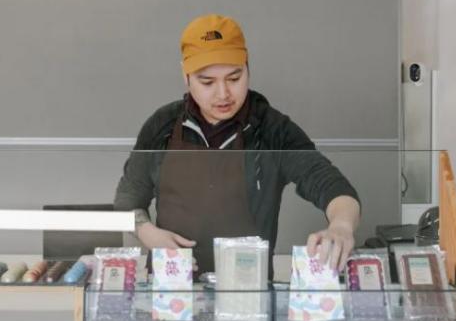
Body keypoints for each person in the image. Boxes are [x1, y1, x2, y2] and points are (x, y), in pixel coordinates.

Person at [113, 14, 360, 276]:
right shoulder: (161, 125)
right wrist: (147, 233)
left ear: (248, 69)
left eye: (234, 78)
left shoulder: (271, 129)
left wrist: (341, 226)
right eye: (207, 82)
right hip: (172, 290)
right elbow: (128, 198)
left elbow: (332, 186)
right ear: (186, 77)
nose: (223, 94)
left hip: (249, 294)